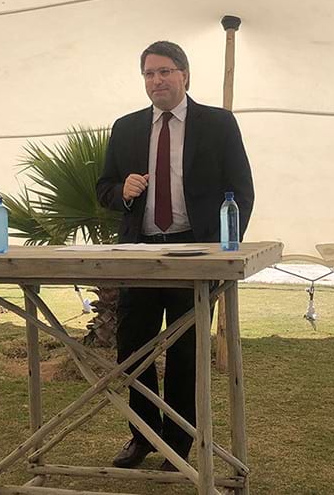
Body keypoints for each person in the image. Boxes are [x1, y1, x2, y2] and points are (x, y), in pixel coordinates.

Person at [96, 40, 254, 471]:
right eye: (149, 73)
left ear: (184, 75)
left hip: (194, 253)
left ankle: (179, 444)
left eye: (164, 71)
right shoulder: (126, 127)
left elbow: (241, 189)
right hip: (139, 254)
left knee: (186, 353)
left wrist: (223, 250)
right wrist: (121, 191)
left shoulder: (219, 124)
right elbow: (104, 187)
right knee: (134, 351)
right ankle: (142, 436)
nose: (156, 81)